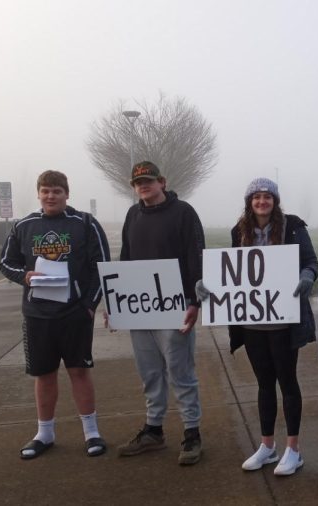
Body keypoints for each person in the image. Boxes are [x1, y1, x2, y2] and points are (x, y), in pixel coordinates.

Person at [198, 177, 318, 476]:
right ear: (249, 201)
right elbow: (231, 272)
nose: (262, 201)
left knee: (287, 383)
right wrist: (206, 283)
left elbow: (311, 262)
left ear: (275, 201)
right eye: (257, 197)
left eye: (267, 196)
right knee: (264, 385)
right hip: (252, 324)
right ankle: (267, 446)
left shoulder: (292, 227)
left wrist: (307, 278)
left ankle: (294, 449)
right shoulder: (238, 231)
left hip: (284, 322)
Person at [0, 170, 110, 460]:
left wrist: (89, 305)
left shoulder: (84, 223)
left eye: (57, 191)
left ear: (67, 194)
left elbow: (103, 267)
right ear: (39, 193)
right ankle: (44, 434)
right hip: (38, 316)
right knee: (44, 375)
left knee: (79, 372)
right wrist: (24, 276)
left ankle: (91, 433)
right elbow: (5, 263)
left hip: (75, 314)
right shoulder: (24, 226)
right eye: (46, 191)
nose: (51, 196)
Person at [113, 161, 206, 465]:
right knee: (149, 372)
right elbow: (126, 258)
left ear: (162, 182)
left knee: (181, 373)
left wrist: (194, 302)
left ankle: (192, 434)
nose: (143, 186)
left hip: (175, 307)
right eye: (137, 182)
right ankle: (153, 430)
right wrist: (117, 303)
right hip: (140, 309)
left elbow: (196, 256)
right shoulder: (133, 214)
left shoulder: (184, 213)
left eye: (148, 181)